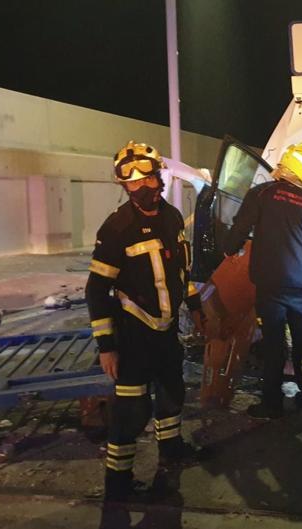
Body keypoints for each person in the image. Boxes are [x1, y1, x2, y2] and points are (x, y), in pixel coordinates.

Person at [86, 141, 209, 502]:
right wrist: (107, 347)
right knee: (130, 411)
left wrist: (197, 308)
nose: (142, 188)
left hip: (167, 333)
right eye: (133, 184)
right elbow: (96, 291)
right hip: (131, 337)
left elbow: (181, 271)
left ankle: (171, 449)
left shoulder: (172, 218)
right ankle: (118, 484)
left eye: (148, 180)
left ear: (159, 177)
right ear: (124, 187)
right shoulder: (116, 228)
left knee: (172, 394)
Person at [223, 143, 302, 419]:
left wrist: (227, 250)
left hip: (270, 284)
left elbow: (240, 228)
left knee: (273, 343)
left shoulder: (262, 194)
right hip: (301, 285)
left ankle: (272, 403)